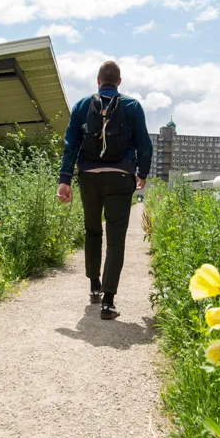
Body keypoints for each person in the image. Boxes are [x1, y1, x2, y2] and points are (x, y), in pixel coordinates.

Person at [57, 61, 152, 320]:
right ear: (119, 82)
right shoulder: (132, 106)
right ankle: (108, 303)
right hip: (120, 177)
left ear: (98, 80)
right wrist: (142, 173)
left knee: (92, 231)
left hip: (88, 177)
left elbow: (70, 143)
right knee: (116, 238)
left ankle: (94, 286)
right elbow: (145, 143)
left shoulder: (82, 105)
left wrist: (64, 178)